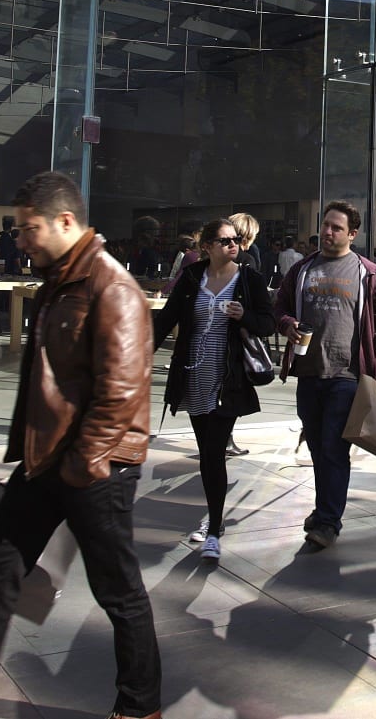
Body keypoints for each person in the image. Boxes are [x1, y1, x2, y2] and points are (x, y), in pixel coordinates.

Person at [0, 171, 161, 719]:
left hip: (96, 468)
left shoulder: (111, 287)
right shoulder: (61, 280)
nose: (21, 239)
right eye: (18, 229)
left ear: (65, 221)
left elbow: (122, 392)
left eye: (28, 228)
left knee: (119, 593)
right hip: (46, 462)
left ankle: (140, 706)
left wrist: (84, 465)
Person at [274, 201, 376, 549]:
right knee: (315, 445)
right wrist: (288, 325)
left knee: (333, 448)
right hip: (309, 372)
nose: (327, 232)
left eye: (336, 228)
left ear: (352, 234)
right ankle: (323, 507)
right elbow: (279, 307)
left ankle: (328, 521)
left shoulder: (368, 272)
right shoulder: (302, 269)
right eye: (326, 225)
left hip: (347, 373)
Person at [152, 218, 276, 561]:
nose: (232, 245)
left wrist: (243, 315)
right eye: (224, 241)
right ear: (205, 246)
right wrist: (138, 355)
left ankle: (214, 530)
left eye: (235, 240)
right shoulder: (193, 278)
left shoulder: (248, 278)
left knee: (211, 453)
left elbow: (267, 323)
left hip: (228, 381)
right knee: (207, 452)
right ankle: (211, 519)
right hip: (193, 376)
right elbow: (166, 319)